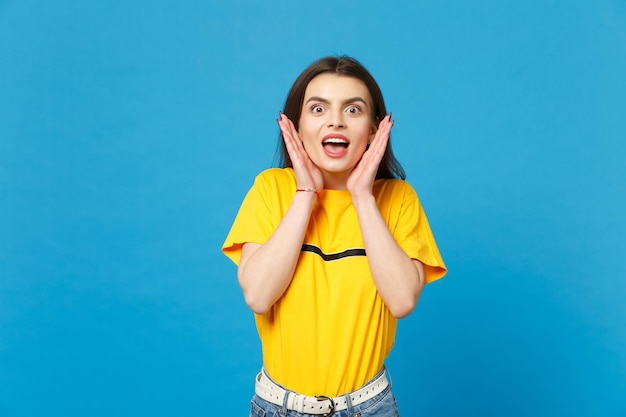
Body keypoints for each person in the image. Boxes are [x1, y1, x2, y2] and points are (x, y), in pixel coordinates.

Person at [222, 56, 446, 417]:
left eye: (353, 109)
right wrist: (306, 194)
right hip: (278, 407)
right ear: (296, 126)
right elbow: (259, 296)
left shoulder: (398, 199)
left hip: (368, 408)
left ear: (374, 129)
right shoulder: (271, 190)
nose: (336, 120)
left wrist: (362, 197)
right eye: (318, 108)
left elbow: (402, 300)